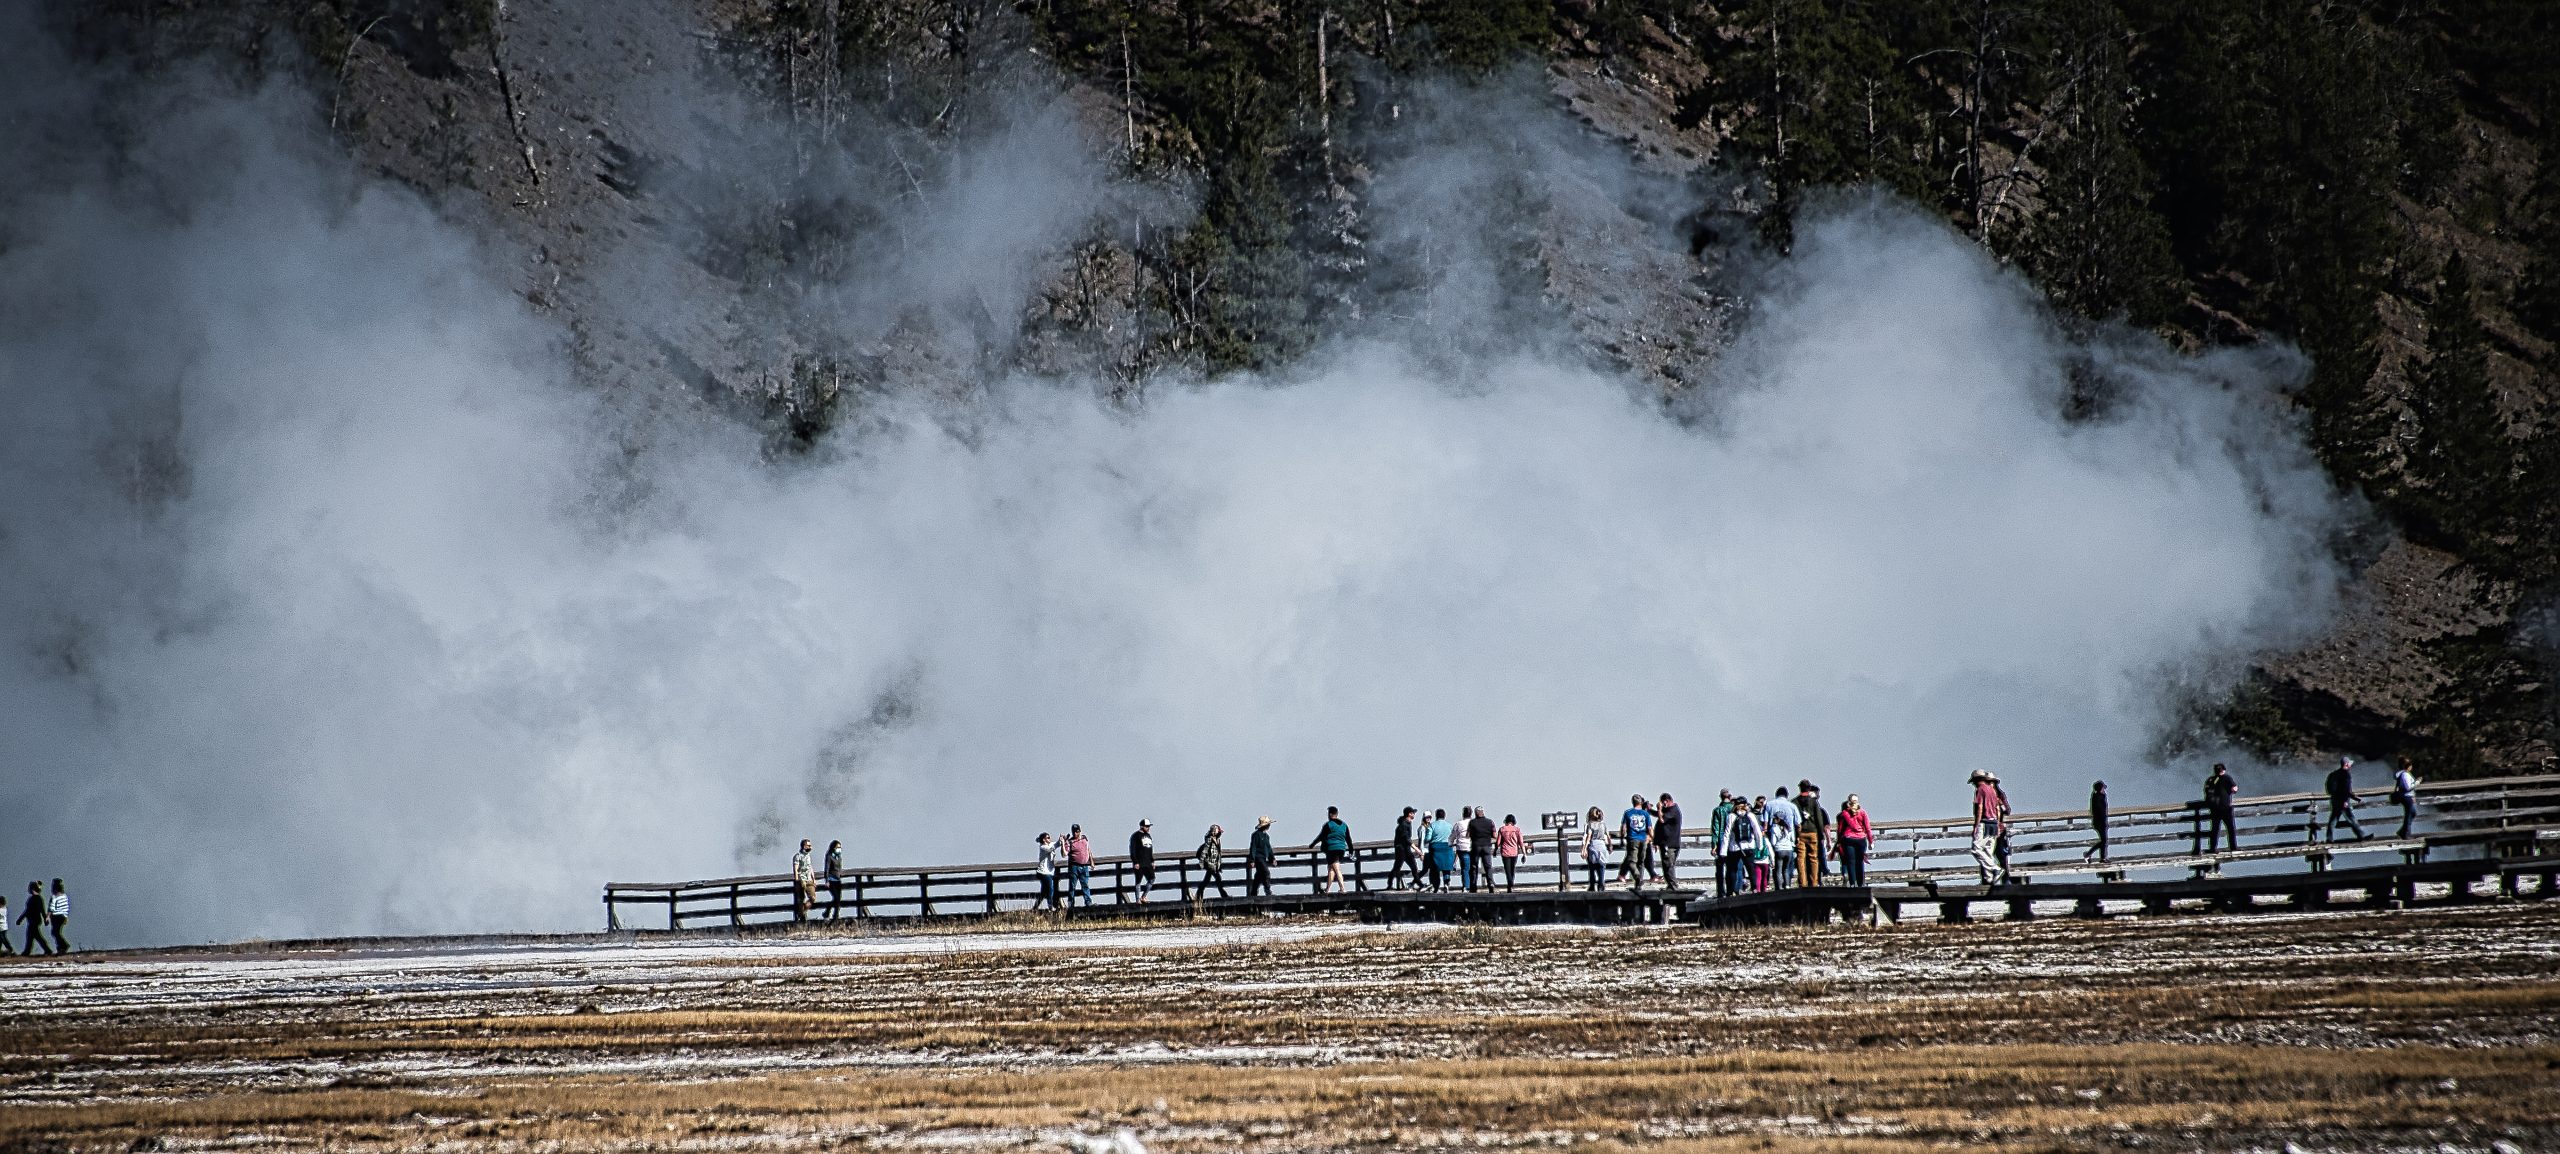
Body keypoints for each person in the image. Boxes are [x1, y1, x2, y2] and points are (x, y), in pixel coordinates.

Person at [1970, 770, 2006, 885]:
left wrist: (1976, 825)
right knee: (1988, 851)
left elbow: (1980, 807)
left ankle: (1995, 868)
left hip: (1984, 822)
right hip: (1994, 822)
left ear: (1976, 780)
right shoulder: (1992, 790)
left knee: (1976, 849)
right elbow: (1997, 808)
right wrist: (1998, 823)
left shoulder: (1980, 790)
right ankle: (1989, 879)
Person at [1722, 799, 1764, 893]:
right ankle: (1754, 889)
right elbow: (1757, 831)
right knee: (1751, 868)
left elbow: (1727, 833)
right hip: (1749, 846)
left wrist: (1723, 851)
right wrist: (1759, 845)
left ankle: (1731, 891)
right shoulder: (1750, 815)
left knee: (1732, 870)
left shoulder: (1731, 816)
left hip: (1735, 847)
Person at [2325, 757, 2368, 842]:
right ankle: (2361, 836)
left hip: (2334, 800)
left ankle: (2329, 838)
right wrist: (2351, 799)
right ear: (2346, 764)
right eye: (2349, 764)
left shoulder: (2335, 774)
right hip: (2343, 800)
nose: (2350, 766)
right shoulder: (2346, 774)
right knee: (2351, 818)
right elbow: (2347, 789)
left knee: (2333, 818)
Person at [1797, 781, 1831, 888]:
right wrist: (1825, 838)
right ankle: (1816, 881)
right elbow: (1824, 825)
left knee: (1803, 859)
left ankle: (1804, 882)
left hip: (1802, 834)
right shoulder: (1817, 807)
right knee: (1815, 859)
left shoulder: (1795, 802)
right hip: (1814, 835)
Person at [1765, 788, 1799, 890]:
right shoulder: (1792, 808)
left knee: (1778, 870)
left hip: (1779, 849)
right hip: (1789, 849)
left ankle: (1779, 888)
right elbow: (1798, 825)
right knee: (1786, 869)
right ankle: (1787, 885)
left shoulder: (1769, 805)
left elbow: (1773, 841)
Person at [2201, 763, 2240, 853]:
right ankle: (2233, 847)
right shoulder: (2226, 778)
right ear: (2223, 770)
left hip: (2214, 808)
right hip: (2225, 807)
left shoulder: (2210, 780)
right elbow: (2234, 789)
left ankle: (2212, 848)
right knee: (2230, 828)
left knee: (2215, 828)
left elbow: (2206, 792)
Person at [1619, 794, 1654, 891]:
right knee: (1640, 862)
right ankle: (1639, 883)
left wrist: (1622, 838)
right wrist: (1654, 840)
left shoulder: (1628, 813)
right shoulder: (1645, 814)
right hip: (1643, 839)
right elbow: (1650, 828)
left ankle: (1638, 877)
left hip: (1632, 839)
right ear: (1641, 802)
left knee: (1631, 861)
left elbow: (1623, 828)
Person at [1837, 794, 1873, 887]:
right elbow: (1868, 828)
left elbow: (1840, 829)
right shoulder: (1863, 812)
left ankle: (1852, 883)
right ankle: (1861, 883)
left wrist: (1839, 841)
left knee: (1851, 861)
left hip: (1848, 839)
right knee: (1859, 861)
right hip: (1861, 839)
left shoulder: (1844, 813)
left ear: (1849, 802)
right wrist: (1870, 841)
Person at [1707, 791, 1736, 898]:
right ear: (1730, 797)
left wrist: (1714, 845)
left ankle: (1721, 892)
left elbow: (1716, 829)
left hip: (1721, 842)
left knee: (1720, 868)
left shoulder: (1718, 810)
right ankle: (1732, 891)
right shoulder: (1734, 809)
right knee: (1732, 868)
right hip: (1733, 842)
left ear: (1720, 797)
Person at [1655, 793, 1684, 890]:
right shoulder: (1669, 811)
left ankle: (1673, 885)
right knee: (1666, 864)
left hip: (1670, 843)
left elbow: (1662, 819)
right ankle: (1670, 885)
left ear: (1666, 801)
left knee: (1668, 864)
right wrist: (1649, 810)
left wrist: (1659, 809)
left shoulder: (1673, 810)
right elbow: (1659, 815)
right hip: (1667, 843)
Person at [1989, 775, 2015, 879]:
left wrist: (2000, 806)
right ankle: (1993, 877)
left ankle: (2005, 877)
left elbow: (2007, 810)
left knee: (2000, 855)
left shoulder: (2000, 795)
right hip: (1992, 828)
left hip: (1999, 829)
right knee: (1991, 854)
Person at [1468, 807, 1498, 891]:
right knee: (1488, 866)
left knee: (1474, 866)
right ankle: (1491, 883)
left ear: (1476, 813)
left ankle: (1473, 886)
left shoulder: (1472, 822)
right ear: (1483, 812)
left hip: (1476, 846)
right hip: (1487, 846)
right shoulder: (1490, 822)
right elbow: (1495, 835)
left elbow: (1468, 835)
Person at [1579, 806, 1609, 891]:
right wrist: (1610, 845)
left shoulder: (1589, 825)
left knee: (1592, 867)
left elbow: (1588, 837)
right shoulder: (1603, 825)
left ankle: (1592, 885)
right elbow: (1607, 835)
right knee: (1602, 866)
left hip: (1593, 846)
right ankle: (1601, 884)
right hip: (1602, 846)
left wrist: (1584, 848)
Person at [1390, 807, 1419, 890]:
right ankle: (1392, 884)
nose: (1414, 814)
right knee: (1398, 867)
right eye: (1413, 812)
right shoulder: (1404, 824)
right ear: (1409, 814)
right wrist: (1416, 849)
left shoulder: (1407, 823)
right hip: (1401, 849)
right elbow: (1407, 839)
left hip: (1405, 848)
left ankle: (1417, 882)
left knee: (1412, 866)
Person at [1428, 809, 1457, 891]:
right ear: (1444, 816)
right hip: (1447, 847)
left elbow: (1428, 838)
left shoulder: (1432, 825)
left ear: (1436, 816)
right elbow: (1453, 837)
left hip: (1435, 847)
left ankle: (1436, 886)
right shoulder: (1449, 825)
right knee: (1446, 867)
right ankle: (1446, 884)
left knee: (1435, 868)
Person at [1067, 824, 1095, 906]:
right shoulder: (1070, 842)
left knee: (1085, 885)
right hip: (1074, 866)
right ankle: (1071, 903)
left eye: (1077, 831)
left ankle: (1088, 902)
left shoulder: (1084, 839)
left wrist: (1091, 861)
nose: (1076, 833)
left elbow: (1088, 850)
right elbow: (1065, 853)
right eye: (1074, 832)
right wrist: (1064, 842)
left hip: (1084, 865)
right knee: (1072, 886)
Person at [1247, 817, 1276, 896]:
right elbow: (1253, 847)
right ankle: (1268, 891)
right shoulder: (1256, 835)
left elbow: (1269, 848)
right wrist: (1252, 860)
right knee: (1266, 872)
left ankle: (1253, 893)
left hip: (1263, 857)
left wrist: (1272, 858)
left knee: (1259, 876)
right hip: (1258, 857)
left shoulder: (1266, 836)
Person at [1198, 824, 1228, 899]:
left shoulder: (1218, 840)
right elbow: (1204, 851)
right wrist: (1201, 863)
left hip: (1215, 864)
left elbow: (1218, 854)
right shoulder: (1209, 840)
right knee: (1218, 879)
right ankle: (1224, 895)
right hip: (1210, 864)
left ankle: (1199, 895)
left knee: (1207, 880)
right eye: (1219, 832)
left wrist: (1219, 864)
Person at [1496, 814, 1526, 891]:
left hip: (1505, 852)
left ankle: (1510, 884)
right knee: (1512, 869)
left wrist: (1495, 850)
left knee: (1507, 870)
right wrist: (1524, 854)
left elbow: (1498, 842)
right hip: (1514, 852)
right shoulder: (1517, 830)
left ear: (1506, 821)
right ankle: (1511, 884)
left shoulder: (1502, 829)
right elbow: (1521, 843)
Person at [1130, 820, 1158, 901]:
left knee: (1152, 878)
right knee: (1138, 881)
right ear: (1142, 826)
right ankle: (1138, 899)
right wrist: (1135, 861)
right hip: (1139, 862)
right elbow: (1132, 850)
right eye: (1146, 826)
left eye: (1149, 826)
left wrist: (1152, 861)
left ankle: (1144, 896)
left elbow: (1150, 849)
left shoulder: (1148, 836)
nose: (1148, 828)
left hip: (1148, 862)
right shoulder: (1135, 836)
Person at [18, 882, 49, 956]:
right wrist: (45, 919)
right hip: (34, 920)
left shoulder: (35, 899)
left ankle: (28, 951)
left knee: (33, 936)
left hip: (34, 920)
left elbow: (30, 910)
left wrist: (20, 919)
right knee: (33, 936)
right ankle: (28, 951)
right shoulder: (36, 899)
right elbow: (42, 910)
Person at [2392, 761, 2421, 837]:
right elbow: (2408, 787)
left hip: (2408, 796)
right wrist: (2417, 782)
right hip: (2406, 796)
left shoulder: (2404, 774)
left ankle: (2403, 831)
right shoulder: (2405, 775)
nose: (2411, 767)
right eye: (2410, 766)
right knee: (2409, 814)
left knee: (2412, 813)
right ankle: (2405, 834)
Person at [1034, 833, 1061, 910]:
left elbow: (1057, 844)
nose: (1050, 839)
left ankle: (1035, 907)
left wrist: (1062, 839)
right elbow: (1050, 849)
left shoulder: (1050, 844)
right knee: (1050, 889)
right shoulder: (1043, 847)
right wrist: (1057, 844)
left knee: (1043, 892)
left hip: (1049, 872)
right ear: (1044, 839)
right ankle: (1050, 907)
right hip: (1043, 872)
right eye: (1048, 838)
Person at [791, 839, 816, 923]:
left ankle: (802, 911)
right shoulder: (798, 856)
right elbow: (795, 868)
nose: (810, 847)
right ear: (804, 846)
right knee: (801, 899)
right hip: (801, 879)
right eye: (808, 846)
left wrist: (814, 878)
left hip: (809, 879)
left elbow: (810, 867)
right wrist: (797, 879)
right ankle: (802, 918)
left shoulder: (808, 856)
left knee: (812, 898)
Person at [2084, 781, 2110, 863]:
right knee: (2104, 841)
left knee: (2104, 840)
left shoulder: (2097, 796)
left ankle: (2102, 858)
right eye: (2103, 788)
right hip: (2100, 822)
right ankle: (2088, 854)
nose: (2104, 790)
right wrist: (2103, 822)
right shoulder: (2098, 797)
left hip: (2100, 821)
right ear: (2100, 789)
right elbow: (2099, 811)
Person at [824, 840, 845, 918]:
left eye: (840, 847)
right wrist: (827, 880)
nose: (839, 849)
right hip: (831, 879)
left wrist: (840, 874)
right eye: (837, 847)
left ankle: (836, 915)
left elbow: (839, 867)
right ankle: (828, 910)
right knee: (835, 897)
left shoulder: (839, 857)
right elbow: (827, 868)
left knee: (838, 899)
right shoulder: (829, 856)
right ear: (833, 848)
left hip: (838, 879)